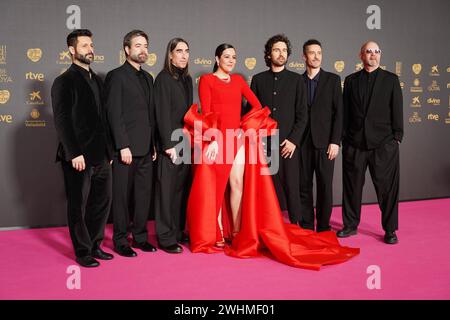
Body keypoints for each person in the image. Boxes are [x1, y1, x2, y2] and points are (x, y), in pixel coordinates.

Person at [184, 43, 359, 270]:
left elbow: (257, 106)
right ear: (217, 59)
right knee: (218, 187)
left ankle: (236, 231)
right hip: (217, 140)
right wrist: (214, 139)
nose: (230, 60)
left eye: (233, 57)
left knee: (237, 185)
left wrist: (244, 127)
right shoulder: (207, 80)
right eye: (226, 57)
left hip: (237, 139)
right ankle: (217, 232)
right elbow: (206, 111)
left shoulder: (238, 80)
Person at [51, 29, 114, 268]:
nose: (90, 49)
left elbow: (103, 119)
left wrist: (109, 151)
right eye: (85, 45)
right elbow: (62, 120)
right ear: (72, 50)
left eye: (91, 45)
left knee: (101, 202)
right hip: (78, 156)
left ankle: (96, 244)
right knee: (78, 204)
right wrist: (73, 152)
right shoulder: (64, 81)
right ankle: (82, 250)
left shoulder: (97, 79)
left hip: (102, 155)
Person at [338, 41, 403, 244]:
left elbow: (397, 110)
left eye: (376, 52)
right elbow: (345, 112)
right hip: (355, 144)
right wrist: (344, 139)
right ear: (361, 55)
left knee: (387, 189)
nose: (373, 55)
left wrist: (397, 138)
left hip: (383, 144)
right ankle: (350, 225)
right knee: (351, 188)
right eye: (369, 51)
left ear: (380, 55)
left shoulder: (391, 80)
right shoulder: (350, 81)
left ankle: (390, 229)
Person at [104, 30, 157, 257]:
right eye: (138, 46)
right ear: (127, 50)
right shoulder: (116, 76)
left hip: (146, 148)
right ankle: (120, 240)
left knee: (143, 196)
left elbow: (150, 116)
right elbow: (113, 114)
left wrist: (153, 144)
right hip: (125, 150)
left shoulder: (148, 78)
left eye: (145, 45)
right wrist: (122, 145)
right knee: (122, 198)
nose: (143, 50)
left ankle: (141, 237)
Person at [248, 34, 307, 225]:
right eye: (276, 50)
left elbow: (302, 115)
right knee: (265, 187)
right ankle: (266, 225)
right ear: (268, 54)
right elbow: (253, 113)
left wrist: (293, 141)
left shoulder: (297, 80)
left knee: (292, 186)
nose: (281, 53)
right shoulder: (257, 79)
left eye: (284, 50)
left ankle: (296, 224)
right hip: (264, 144)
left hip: (288, 143)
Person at [299, 39, 343, 232]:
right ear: (304, 56)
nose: (316, 56)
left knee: (325, 185)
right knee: (304, 185)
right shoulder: (297, 81)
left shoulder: (333, 80)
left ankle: (324, 225)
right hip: (301, 144)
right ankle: (307, 224)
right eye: (312, 53)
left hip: (326, 143)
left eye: (319, 53)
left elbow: (339, 113)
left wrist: (335, 141)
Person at [154, 38, 193, 254]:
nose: (184, 55)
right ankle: (165, 236)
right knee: (166, 192)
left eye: (187, 51)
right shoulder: (162, 79)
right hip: (170, 145)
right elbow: (160, 113)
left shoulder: (186, 80)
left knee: (180, 190)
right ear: (170, 55)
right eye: (179, 51)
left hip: (185, 142)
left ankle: (177, 231)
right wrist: (168, 145)